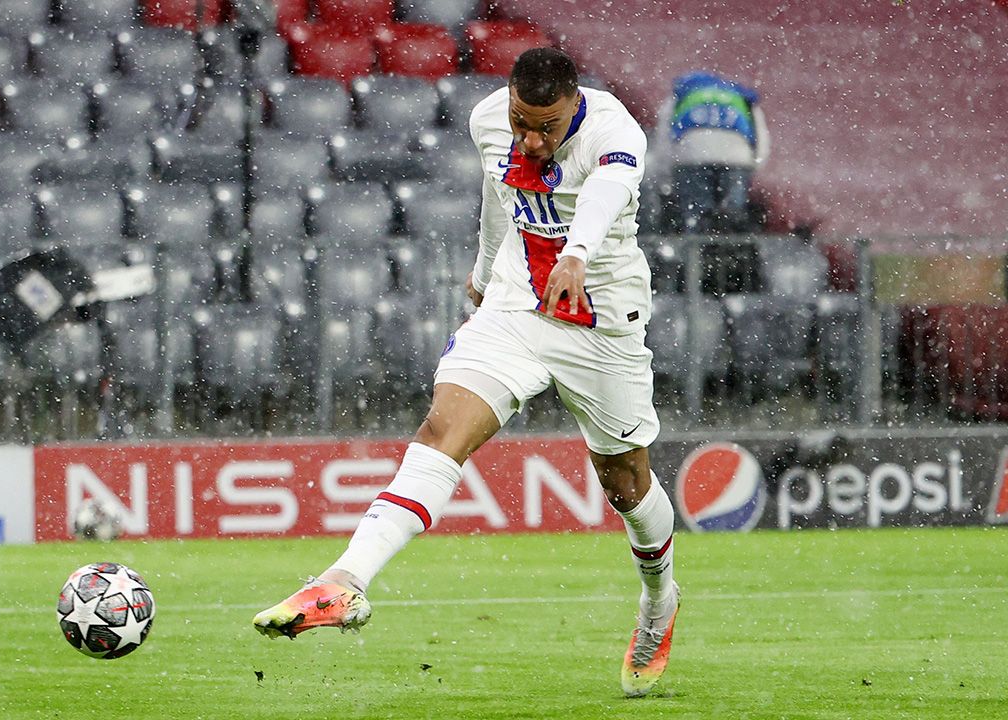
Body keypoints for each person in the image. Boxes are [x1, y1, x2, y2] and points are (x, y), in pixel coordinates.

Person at [253, 48, 680, 699]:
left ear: (573, 105)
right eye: (521, 122)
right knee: (441, 430)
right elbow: (498, 198)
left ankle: (659, 602)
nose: (531, 139)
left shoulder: (616, 129)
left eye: (547, 126)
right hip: (515, 305)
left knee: (625, 484)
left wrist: (577, 254)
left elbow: (606, 193)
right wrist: (484, 275)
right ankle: (345, 579)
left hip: (600, 319)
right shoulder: (489, 121)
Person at [655, 70, 769, 233]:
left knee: (695, 212)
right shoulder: (740, 95)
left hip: (692, 156)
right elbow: (760, 135)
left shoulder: (682, 94)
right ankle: (730, 248)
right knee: (733, 213)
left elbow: (664, 134)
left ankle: (695, 246)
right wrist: (754, 165)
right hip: (736, 157)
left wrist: (666, 173)